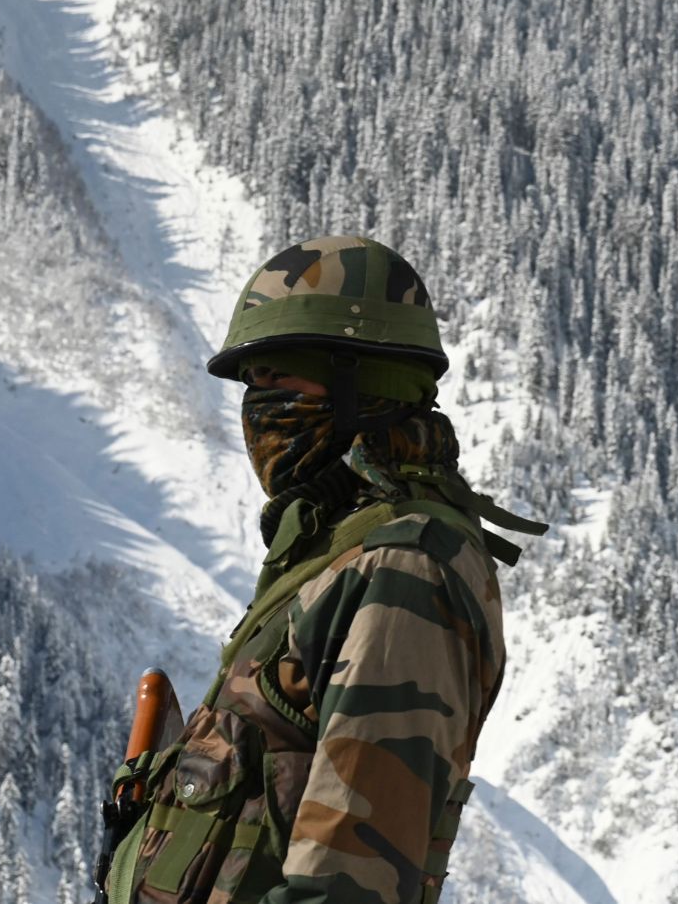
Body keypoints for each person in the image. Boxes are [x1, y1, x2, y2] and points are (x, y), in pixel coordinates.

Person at [96, 236, 542, 904]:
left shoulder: (404, 564)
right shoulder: (337, 548)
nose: (259, 407)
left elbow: (350, 882)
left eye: (281, 378)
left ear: (364, 381)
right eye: (254, 386)